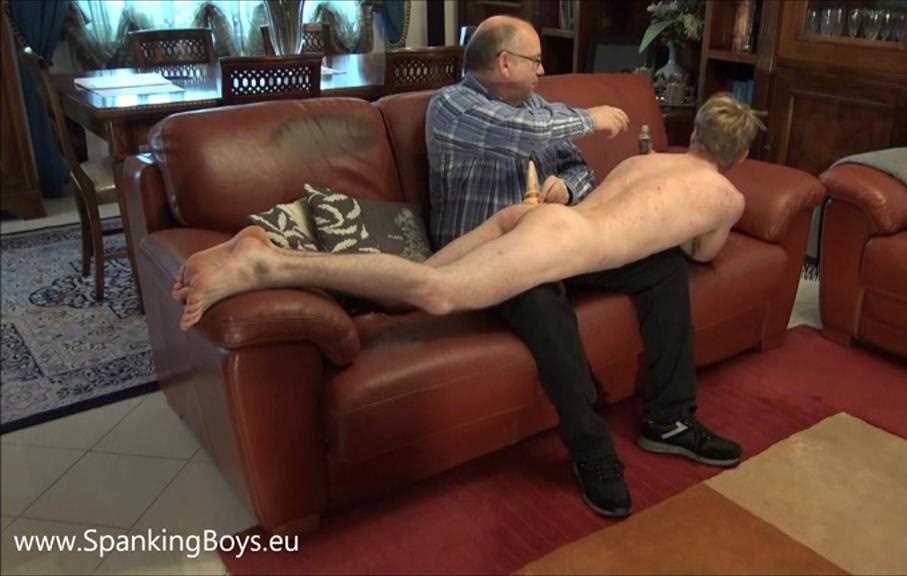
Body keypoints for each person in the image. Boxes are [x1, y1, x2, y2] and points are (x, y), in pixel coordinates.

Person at [174, 21, 763, 521]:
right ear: (504, 63)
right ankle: (591, 450)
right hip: (490, 246)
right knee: (519, 299)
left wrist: (566, 185)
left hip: (546, 231)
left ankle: (670, 418)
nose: (543, 70)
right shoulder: (453, 106)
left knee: (660, 267)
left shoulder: (539, 108)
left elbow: (582, 171)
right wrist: (589, 117)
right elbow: (520, 134)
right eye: (536, 60)